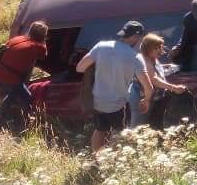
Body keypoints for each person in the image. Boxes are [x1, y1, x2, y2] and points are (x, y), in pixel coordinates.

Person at [76, 20, 149, 152]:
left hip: (98, 102)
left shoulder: (101, 46)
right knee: (118, 132)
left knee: (100, 130)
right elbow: (148, 85)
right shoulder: (135, 57)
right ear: (135, 37)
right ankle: (112, 160)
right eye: (139, 38)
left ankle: (97, 158)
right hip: (118, 104)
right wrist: (146, 100)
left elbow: (80, 68)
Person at [0, 21, 49, 135]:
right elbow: (44, 55)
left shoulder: (17, 39)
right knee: (28, 98)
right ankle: (26, 124)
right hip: (12, 79)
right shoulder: (37, 46)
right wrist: (44, 42)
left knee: (11, 97)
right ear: (43, 36)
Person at [129, 33, 188, 128]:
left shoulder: (152, 58)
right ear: (148, 48)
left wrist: (166, 66)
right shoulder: (143, 59)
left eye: (160, 47)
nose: (160, 50)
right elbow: (154, 79)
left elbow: (154, 68)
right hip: (142, 99)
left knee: (154, 126)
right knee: (138, 127)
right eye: (157, 48)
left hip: (153, 98)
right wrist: (174, 88)